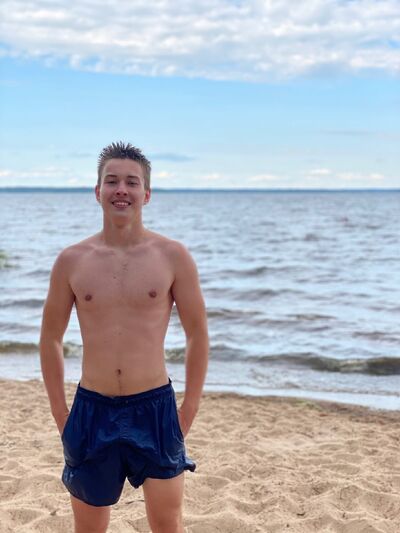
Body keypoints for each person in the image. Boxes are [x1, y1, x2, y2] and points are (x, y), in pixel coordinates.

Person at [39, 141, 209, 533]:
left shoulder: (172, 256)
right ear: (97, 190)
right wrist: (61, 414)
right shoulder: (71, 260)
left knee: (167, 525)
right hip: (92, 409)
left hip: (155, 407)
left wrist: (189, 408)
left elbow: (198, 334)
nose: (121, 189)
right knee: (89, 528)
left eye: (131, 182)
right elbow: (50, 338)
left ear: (146, 194)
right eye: (112, 181)